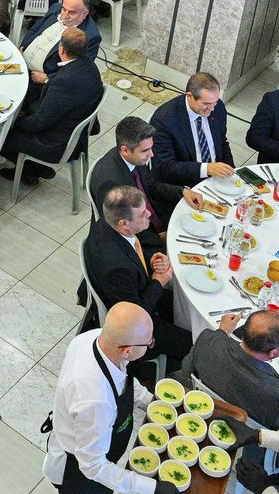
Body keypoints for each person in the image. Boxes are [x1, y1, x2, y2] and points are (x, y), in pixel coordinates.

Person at [45, 301, 175, 493]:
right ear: (128, 350)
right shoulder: (95, 400)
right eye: (149, 343)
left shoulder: (97, 338)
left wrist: (154, 403)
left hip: (94, 448)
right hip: (78, 470)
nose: (150, 345)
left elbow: (122, 378)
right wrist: (152, 488)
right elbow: (93, 467)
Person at [177, 311, 279, 494]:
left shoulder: (208, 340)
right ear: (273, 353)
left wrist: (221, 333)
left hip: (203, 419)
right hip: (248, 454)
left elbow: (185, 375)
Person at [82, 187, 192, 361]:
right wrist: (159, 281)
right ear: (124, 223)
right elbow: (135, 312)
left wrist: (149, 260)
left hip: (136, 286)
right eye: (142, 213)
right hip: (133, 324)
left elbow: (132, 249)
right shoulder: (117, 268)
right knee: (192, 342)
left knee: (185, 303)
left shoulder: (108, 221)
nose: (149, 214)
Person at [0, 29, 104, 184]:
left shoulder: (64, 82)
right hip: (73, 128)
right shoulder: (90, 67)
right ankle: (37, 168)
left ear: (61, 49)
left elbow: (39, 123)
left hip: (55, 142)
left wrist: (14, 120)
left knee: (1, 135)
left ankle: (29, 170)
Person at [86, 116, 200, 253]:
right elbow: (126, 230)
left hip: (154, 218)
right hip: (142, 240)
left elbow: (151, 186)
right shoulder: (111, 185)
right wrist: (160, 238)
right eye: (145, 150)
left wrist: (182, 191)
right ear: (125, 150)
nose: (151, 154)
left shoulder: (134, 158)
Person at [149, 72, 237, 188]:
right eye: (206, 103)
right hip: (186, 184)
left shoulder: (218, 107)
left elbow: (222, 141)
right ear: (190, 96)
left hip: (218, 178)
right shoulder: (164, 120)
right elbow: (165, 167)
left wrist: (232, 170)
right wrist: (206, 169)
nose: (212, 108)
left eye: (214, 102)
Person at [21, 0, 102, 82]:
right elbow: (35, 29)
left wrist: (48, 78)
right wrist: (23, 46)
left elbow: (79, 70)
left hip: (38, 80)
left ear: (85, 13)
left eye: (72, 12)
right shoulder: (55, 8)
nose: (65, 16)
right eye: (64, 9)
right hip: (20, 61)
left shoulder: (90, 36)